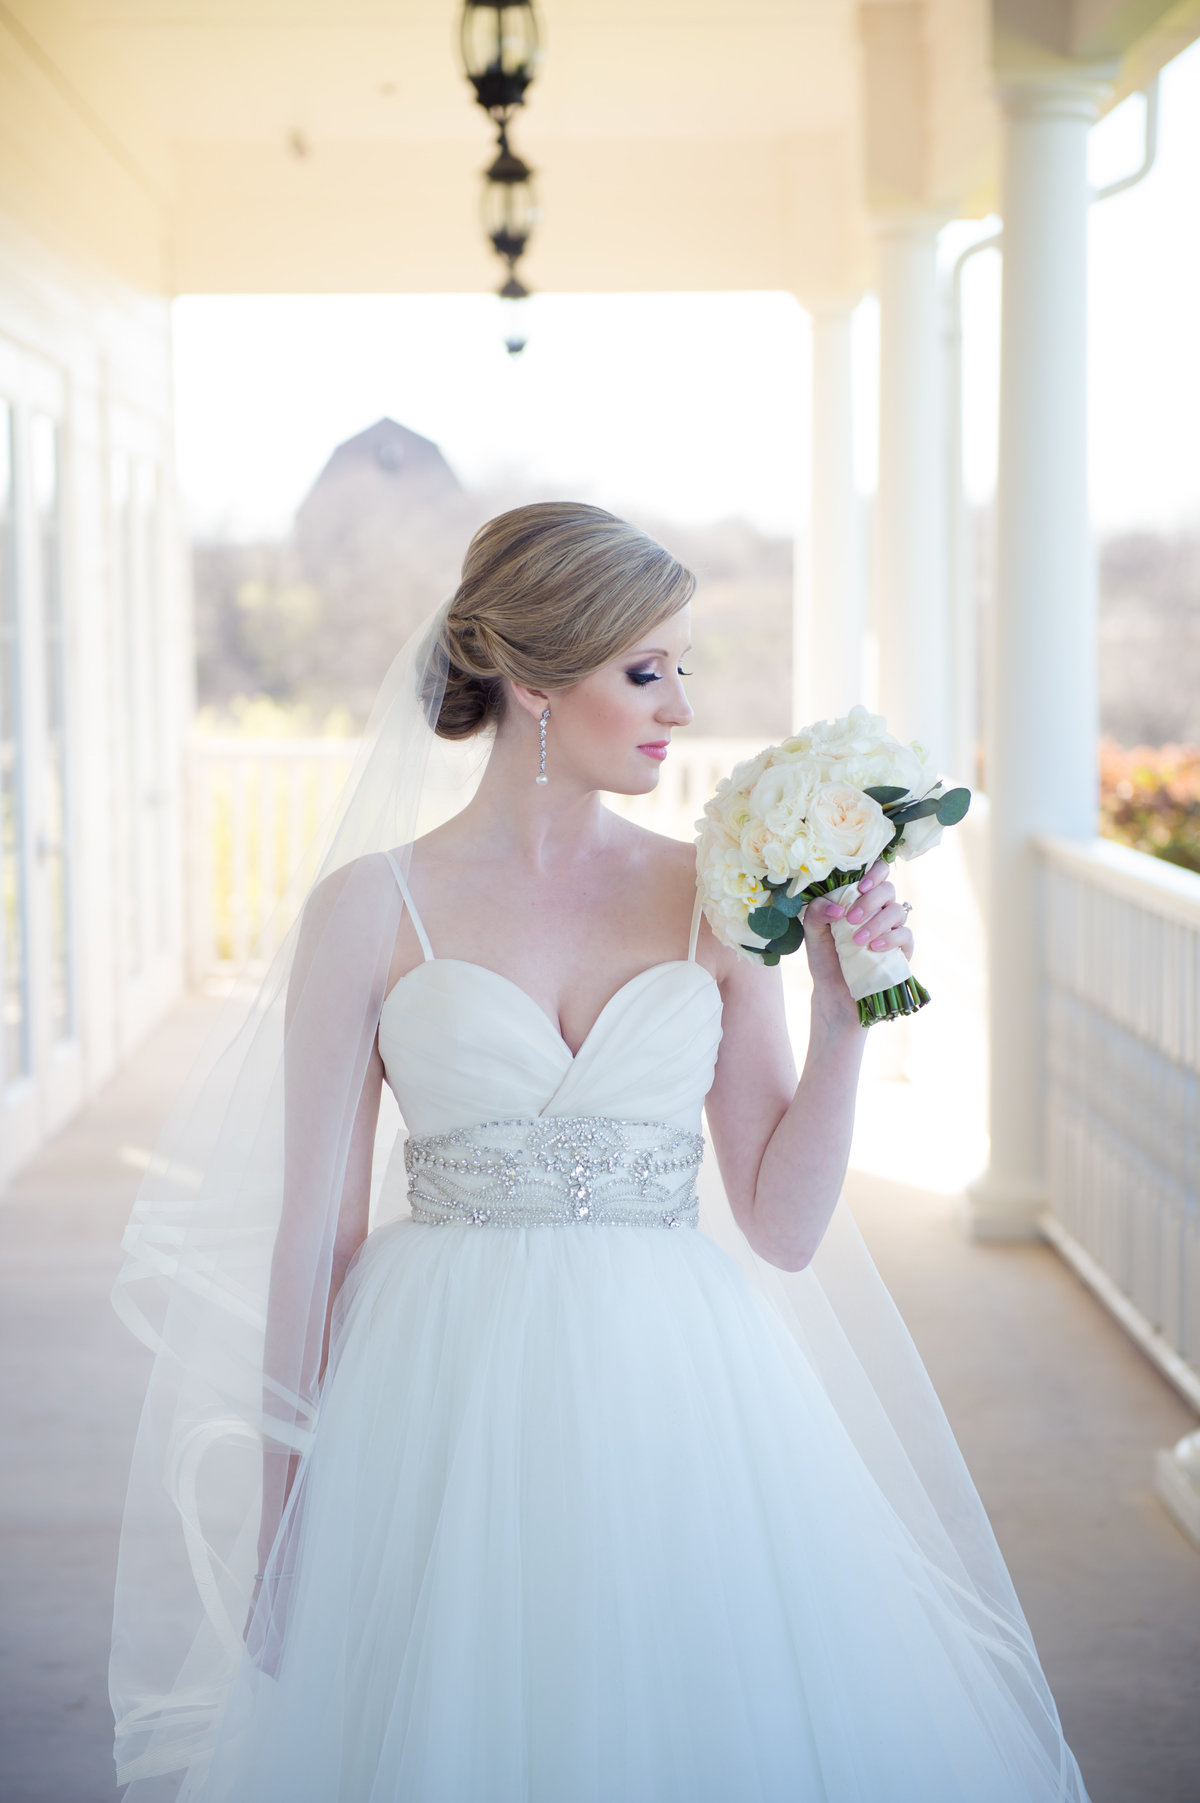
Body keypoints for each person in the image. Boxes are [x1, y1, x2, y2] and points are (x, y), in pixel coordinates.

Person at [111, 503, 1089, 1802]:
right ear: (531, 683)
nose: (679, 704)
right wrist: (283, 1525)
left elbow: (782, 1225)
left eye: (686, 667)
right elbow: (315, 1234)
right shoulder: (368, 910)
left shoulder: (715, 895)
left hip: (675, 1390)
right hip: (431, 1400)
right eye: (646, 670)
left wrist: (846, 1017)